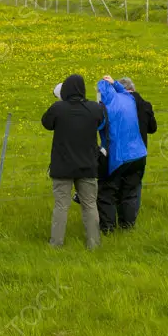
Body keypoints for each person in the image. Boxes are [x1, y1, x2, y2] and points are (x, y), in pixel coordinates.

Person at [41, 74, 104, 250]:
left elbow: (46, 123)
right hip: (88, 165)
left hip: (63, 165)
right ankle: (94, 244)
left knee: (61, 205)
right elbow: (102, 122)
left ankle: (56, 243)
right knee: (90, 205)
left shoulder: (58, 108)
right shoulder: (94, 109)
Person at [96, 77, 148, 232]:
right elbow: (125, 91)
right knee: (130, 192)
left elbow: (99, 126)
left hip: (119, 157)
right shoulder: (128, 99)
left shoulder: (105, 108)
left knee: (107, 193)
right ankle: (128, 227)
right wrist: (115, 83)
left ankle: (108, 229)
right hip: (139, 154)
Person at [117, 76, 157, 212]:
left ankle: (117, 215)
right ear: (133, 89)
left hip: (119, 152)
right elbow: (153, 128)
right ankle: (130, 220)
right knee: (134, 186)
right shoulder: (145, 105)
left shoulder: (116, 105)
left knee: (117, 183)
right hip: (139, 152)